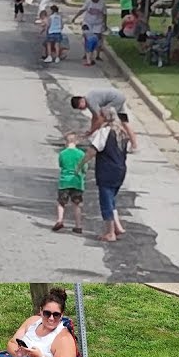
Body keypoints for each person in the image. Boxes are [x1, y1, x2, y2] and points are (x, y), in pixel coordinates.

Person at [79, 108, 130, 242]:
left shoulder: (104, 132)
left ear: (104, 118)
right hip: (120, 170)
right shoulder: (122, 133)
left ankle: (110, 232)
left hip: (107, 170)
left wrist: (80, 164)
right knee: (111, 198)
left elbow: (93, 150)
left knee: (106, 201)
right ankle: (117, 227)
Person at [72, 88, 139, 151]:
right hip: (119, 96)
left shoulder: (90, 102)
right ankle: (134, 145)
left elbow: (100, 118)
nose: (82, 110)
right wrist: (91, 130)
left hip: (115, 99)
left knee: (106, 118)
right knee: (124, 122)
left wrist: (92, 131)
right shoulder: (89, 99)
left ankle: (120, 137)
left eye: (80, 107)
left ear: (81, 100)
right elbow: (94, 117)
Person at [54, 132, 86, 233]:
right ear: (76, 142)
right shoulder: (81, 154)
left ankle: (60, 220)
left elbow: (61, 164)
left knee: (61, 202)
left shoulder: (63, 153)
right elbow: (84, 167)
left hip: (65, 181)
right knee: (77, 204)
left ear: (66, 142)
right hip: (77, 181)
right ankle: (78, 225)